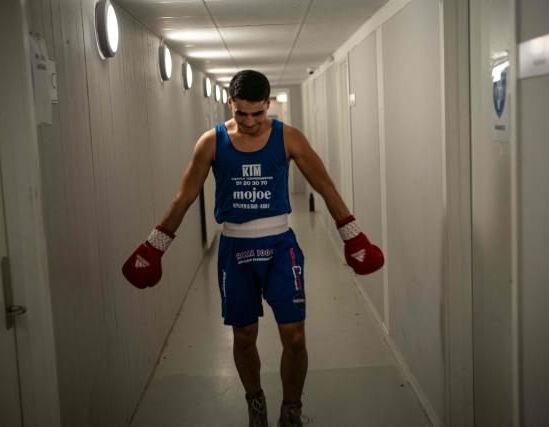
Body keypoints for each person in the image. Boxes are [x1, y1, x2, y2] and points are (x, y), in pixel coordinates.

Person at [122, 70, 384, 427]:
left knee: (294, 337)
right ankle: (255, 405)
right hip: (235, 250)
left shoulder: (289, 138)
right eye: (241, 113)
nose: (249, 121)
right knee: (244, 337)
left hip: (280, 246)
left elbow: (324, 186)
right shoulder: (211, 142)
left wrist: (352, 235)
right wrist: (154, 247)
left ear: (268, 105)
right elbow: (184, 196)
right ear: (230, 103)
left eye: (257, 114)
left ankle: (291, 410)